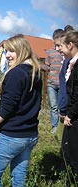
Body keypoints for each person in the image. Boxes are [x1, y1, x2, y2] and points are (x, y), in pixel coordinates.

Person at [0, 34, 42, 187]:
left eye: (12, 51)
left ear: (22, 49)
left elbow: (6, 108)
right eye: (6, 51)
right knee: (19, 178)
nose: (7, 56)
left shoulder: (16, 74)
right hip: (30, 135)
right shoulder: (35, 72)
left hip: (12, 136)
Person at [58, 30, 78, 184]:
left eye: (62, 46)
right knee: (67, 149)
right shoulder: (72, 63)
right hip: (72, 113)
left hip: (75, 116)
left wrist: (70, 114)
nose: (60, 50)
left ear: (70, 45)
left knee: (73, 152)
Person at [42, 29, 64, 134]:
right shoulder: (50, 52)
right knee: (53, 106)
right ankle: (54, 127)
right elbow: (47, 66)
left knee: (62, 106)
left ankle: (62, 126)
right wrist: (39, 66)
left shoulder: (64, 52)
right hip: (51, 83)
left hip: (62, 84)